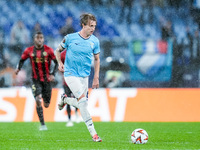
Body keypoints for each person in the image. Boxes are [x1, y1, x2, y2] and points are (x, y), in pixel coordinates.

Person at [55, 13, 102, 142]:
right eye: (90, 26)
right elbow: (57, 51)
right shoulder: (70, 38)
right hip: (70, 74)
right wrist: (60, 63)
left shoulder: (94, 41)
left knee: (83, 103)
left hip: (84, 76)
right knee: (82, 101)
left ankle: (65, 100)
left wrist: (96, 77)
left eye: (94, 26)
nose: (93, 29)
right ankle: (94, 134)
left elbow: (97, 59)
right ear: (83, 25)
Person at [15, 31, 58, 130]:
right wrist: (18, 68)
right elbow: (22, 60)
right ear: (34, 39)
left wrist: (52, 74)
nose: (39, 39)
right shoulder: (29, 51)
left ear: (43, 39)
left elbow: (56, 63)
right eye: (37, 37)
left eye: (41, 38)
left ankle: (44, 108)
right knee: (38, 99)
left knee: (46, 105)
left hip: (47, 80)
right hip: (35, 80)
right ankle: (43, 124)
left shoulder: (49, 50)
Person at [61, 50, 80, 127]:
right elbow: (60, 65)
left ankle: (76, 113)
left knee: (76, 97)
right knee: (68, 99)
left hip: (75, 80)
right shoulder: (63, 54)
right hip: (66, 81)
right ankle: (69, 119)